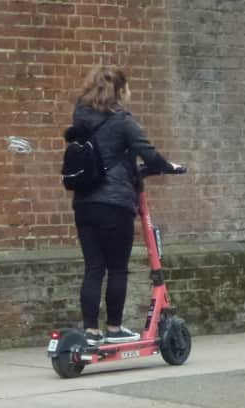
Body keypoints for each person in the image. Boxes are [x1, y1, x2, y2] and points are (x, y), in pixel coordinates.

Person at [65, 66, 182, 345]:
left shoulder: (80, 117)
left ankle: (90, 331)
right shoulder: (123, 122)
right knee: (117, 268)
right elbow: (150, 155)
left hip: (84, 204)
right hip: (115, 204)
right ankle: (114, 329)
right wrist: (169, 167)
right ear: (119, 90)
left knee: (94, 267)